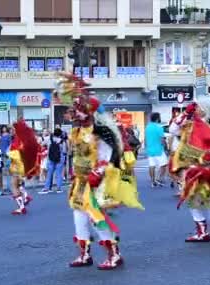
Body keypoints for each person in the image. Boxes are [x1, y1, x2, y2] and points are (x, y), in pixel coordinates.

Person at [53, 73, 143, 270]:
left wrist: (98, 173)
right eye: (73, 110)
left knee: (95, 215)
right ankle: (84, 253)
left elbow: (111, 153)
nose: (74, 113)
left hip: (98, 179)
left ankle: (114, 253)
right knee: (78, 213)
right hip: (80, 179)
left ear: (89, 112)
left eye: (78, 110)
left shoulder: (99, 129)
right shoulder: (77, 130)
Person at [170, 97, 210, 242]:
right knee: (192, 199)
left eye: (197, 106)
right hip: (191, 167)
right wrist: (185, 113)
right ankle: (202, 231)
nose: (195, 108)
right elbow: (173, 129)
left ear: (206, 109)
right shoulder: (189, 123)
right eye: (194, 106)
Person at [8, 120, 40, 215]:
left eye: (13, 129)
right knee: (19, 184)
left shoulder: (18, 140)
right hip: (24, 164)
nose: (11, 131)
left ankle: (21, 207)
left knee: (14, 185)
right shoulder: (26, 138)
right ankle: (25, 197)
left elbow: (16, 153)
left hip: (18, 164)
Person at [39, 128, 66, 194]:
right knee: (59, 174)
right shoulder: (62, 141)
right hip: (59, 158)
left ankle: (47, 188)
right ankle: (58, 189)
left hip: (50, 158)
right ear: (60, 134)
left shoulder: (49, 139)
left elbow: (41, 144)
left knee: (49, 174)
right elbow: (64, 151)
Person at [145, 112, 168, 187]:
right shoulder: (159, 127)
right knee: (164, 165)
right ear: (158, 118)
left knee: (152, 166)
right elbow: (162, 140)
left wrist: (146, 147)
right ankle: (159, 179)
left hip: (150, 150)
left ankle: (152, 181)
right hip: (159, 150)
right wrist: (166, 147)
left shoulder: (147, 127)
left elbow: (145, 139)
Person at [0, 126, 12, 194]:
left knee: (8, 171)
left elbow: (10, 145)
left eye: (5, 128)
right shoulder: (0, 136)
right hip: (0, 154)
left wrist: (8, 152)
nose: (4, 129)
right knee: (2, 172)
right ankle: (4, 187)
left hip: (7, 155)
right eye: (2, 128)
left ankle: (9, 187)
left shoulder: (8, 136)